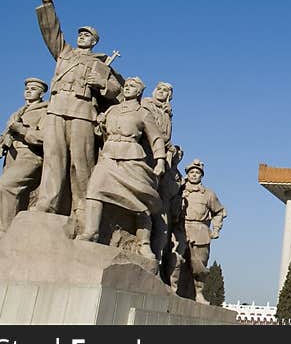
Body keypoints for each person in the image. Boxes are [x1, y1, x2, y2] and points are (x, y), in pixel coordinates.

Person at [31, 0, 121, 233]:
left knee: (81, 163)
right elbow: (51, 32)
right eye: (80, 33)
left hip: (83, 112)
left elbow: (117, 90)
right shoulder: (64, 53)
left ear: (94, 41)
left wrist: (100, 82)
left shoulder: (101, 63)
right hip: (57, 109)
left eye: (87, 35)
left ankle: (83, 209)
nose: (82, 36)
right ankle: (47, 204)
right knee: (53, 158)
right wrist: (48, 5)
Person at [77, 77, 166, 260]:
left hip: (132, 157)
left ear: (139, 91)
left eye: (132, 86)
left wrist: (160, 161)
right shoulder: (112, 109)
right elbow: (100, 135)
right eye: (126, 85)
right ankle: (91, 232)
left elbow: (156, 138)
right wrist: (99, 123)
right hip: (109, 155)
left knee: (141, 202)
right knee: (94, 190)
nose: (127, 88)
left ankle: (144, 244)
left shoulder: (143, 113)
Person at [0, 78, 49, 237]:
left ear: (42, 93)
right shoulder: (18, 112)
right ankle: (13, 234)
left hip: (30, 157)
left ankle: (0, 231)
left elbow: (44, 138)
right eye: (27, 88)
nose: (28, 91)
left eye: (33, 89)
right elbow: (6, 135)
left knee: (3, 186)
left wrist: (20, 129)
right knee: (17, 198)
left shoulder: (46, 111)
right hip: (11, 157)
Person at [142, 81, 183, 264]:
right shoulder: (145, 105)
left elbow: (165, 138)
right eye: (159, 89)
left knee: (160, 213)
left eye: (166, 90)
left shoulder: (167, 113)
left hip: (161, 158)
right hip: (144, 152)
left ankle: (156, 257)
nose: (161, 92)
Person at [181, 159, 226, 302]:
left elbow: (219, 211)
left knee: (199, 266)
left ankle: (198, 293)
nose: (194, 175)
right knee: (175, 261)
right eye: (191, 172)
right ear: (187, 174)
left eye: (197, 173)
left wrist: (216, 229)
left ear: (201, 176)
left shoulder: (208, 194)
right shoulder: (178, 190)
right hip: (181, 228)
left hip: (200, 231)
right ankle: (174, 290)